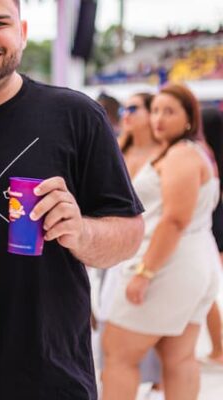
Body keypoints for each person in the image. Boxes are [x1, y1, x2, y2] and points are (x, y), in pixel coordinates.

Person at [0, 0, 145, 398]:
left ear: (22, 33)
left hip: (49, 376)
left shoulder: (76, 115)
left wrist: (81, 233)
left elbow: (129, 234)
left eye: (0, 23)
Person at [102, 84, 221, 400]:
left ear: (189, 118)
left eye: (169, 112)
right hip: (191, 260)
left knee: (118, 354)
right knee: (179, 357)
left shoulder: (181, 154)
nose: (158, 118)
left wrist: (145, 272)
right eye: (155, 110)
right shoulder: (190, 152)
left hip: (169, 263)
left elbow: (174, 220)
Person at [97, 93, 164, 399]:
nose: (127, 114)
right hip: (117, 255)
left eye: (135, 108)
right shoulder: (116, 149)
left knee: (154, 339)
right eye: (125, 108)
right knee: (110, 335)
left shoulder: (167, 154)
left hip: (153, 254)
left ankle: (156, 389)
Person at [201, 107, 223, 366]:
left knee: (209, 295)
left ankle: (218, 348)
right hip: (214, 225)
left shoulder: (204, 156)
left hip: (210, 227)